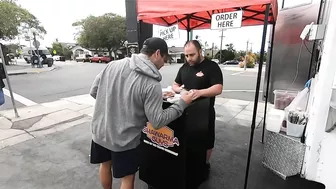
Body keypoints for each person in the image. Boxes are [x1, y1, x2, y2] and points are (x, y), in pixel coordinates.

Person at [89, 37, 194, 189]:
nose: (164, 64)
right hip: (124, 140)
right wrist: (182, 103)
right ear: (157, 53)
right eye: (164, 59)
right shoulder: (151, 84)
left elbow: (94, 92)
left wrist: (114, 106)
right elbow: (157, 121)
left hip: (100, 132)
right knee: (127, 178)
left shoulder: (112, 65)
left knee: (105, 166)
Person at [172, 40, 223, 178]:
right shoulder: (184, 67)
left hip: (205, 112)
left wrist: (200, 92)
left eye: (192, 55)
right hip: (186, 112)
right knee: (188, 139)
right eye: (186, 55)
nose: (189, 58)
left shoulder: (211, 67)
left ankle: (205, 164)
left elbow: (218, 88)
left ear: (200, 51)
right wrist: (180, 91)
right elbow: (175, 85)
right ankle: (189, 163)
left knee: (207, 141)